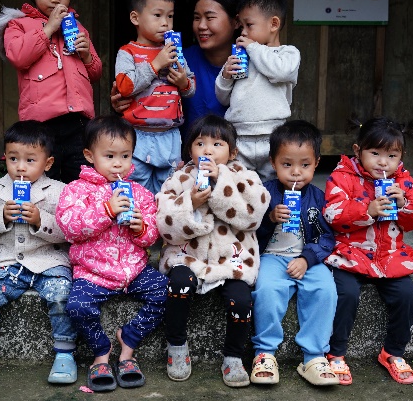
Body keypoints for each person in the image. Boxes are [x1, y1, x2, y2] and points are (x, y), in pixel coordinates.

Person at [0, 120, 77, 388]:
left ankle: (65, 354)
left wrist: (39, 220)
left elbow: (70, 233)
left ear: (47, 163)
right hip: (7, 260)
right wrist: (0, 217)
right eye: (13, 158)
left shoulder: (60, 191)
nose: (20, 167)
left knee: (62, 295)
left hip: (49, 260)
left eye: (30, 160)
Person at [155, 115, 270, 387]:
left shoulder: (245, 176)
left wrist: (222, 183)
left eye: (217, 144)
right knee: (179, 283)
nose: (207, 150)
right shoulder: (179, 178)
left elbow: (253, 216)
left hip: (233, 258)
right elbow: (164, 223)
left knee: (241, 300)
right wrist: (190, 202)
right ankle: (177, 347)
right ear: (189, 149)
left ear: (232, 152)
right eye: (200, 143)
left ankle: (233, 357)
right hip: (188, 256)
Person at [56, 116, 167, 392]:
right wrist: (106, 211)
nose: (118, 163)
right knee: (77, 306)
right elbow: (69, 227)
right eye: (109, 155)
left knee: (166, 291)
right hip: (93, 272)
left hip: (134, 270)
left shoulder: (139, 193)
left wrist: (142, 229)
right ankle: (101, 353)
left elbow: (153, 234)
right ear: (89, 156)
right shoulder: (76, 190)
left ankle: (128, 344)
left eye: (125, 156)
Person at [323, 117, 413, 385]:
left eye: (391, 155)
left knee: (407, 295)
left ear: (400, 157)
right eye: (375, 153)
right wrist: (366, 211)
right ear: (357, 150)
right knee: (346, 294)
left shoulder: (402, 182)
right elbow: (331, 214)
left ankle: (392, 353)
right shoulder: (342, 177)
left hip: (389, 256)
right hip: (350, 253)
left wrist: (405, 203)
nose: (383, 162)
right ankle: (335, 354)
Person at [0, 0, 102, 183]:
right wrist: (48, 29)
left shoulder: (77, 28)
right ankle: (43, 220)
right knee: (43, 181)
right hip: (40, 125)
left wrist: (87, 56)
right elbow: (18, 56)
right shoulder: (18, 25)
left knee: (79, 182)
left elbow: (95, 73)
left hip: (77, 124)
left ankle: (76, 220)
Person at [251, 120, 338, 386]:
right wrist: (268, 218)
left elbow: (328, 236)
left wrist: (308, 259)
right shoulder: (264, 193)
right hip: (272, 257)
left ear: (317, 163)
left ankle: (314, 356)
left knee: (326, 291)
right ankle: (264, 352)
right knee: (267, 289)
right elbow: (248, 229)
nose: (296, 173)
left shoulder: (319, 197)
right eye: (287, 164)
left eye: (305, 165)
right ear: (273, 162)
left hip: (309, 259)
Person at [111, 0, 241, 139]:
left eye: (210, 17)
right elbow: (139, 89)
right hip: (181, 155)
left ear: (236, 22)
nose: (201, 25)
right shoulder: (176, 57)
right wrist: (123, 101)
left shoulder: (249, 64)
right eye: (196, 18)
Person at [114, 0, 196, 194]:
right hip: (136, 135)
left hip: (169, 135)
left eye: (170, 16)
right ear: (135, 18)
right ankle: (139, 227)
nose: (165, 23)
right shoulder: (127, 52)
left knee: (169, 190)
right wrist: (155, 65)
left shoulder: (174, 50)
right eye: (157, 15)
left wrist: (182, 82)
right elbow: (124, 87)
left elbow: (191, 87)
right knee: (135, 188)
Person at [215, 0, 300, 181]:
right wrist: (225, 76)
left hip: (273, 136)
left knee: (273, 184)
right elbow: (222, 98)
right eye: (241, 26)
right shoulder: (242, 56)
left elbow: (280, 71)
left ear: (273, 24)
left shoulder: (288, 54)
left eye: (249, 25)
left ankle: (272, 213)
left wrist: (253, 48)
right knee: (239, 185)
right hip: (240, 136)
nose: (243, 33)